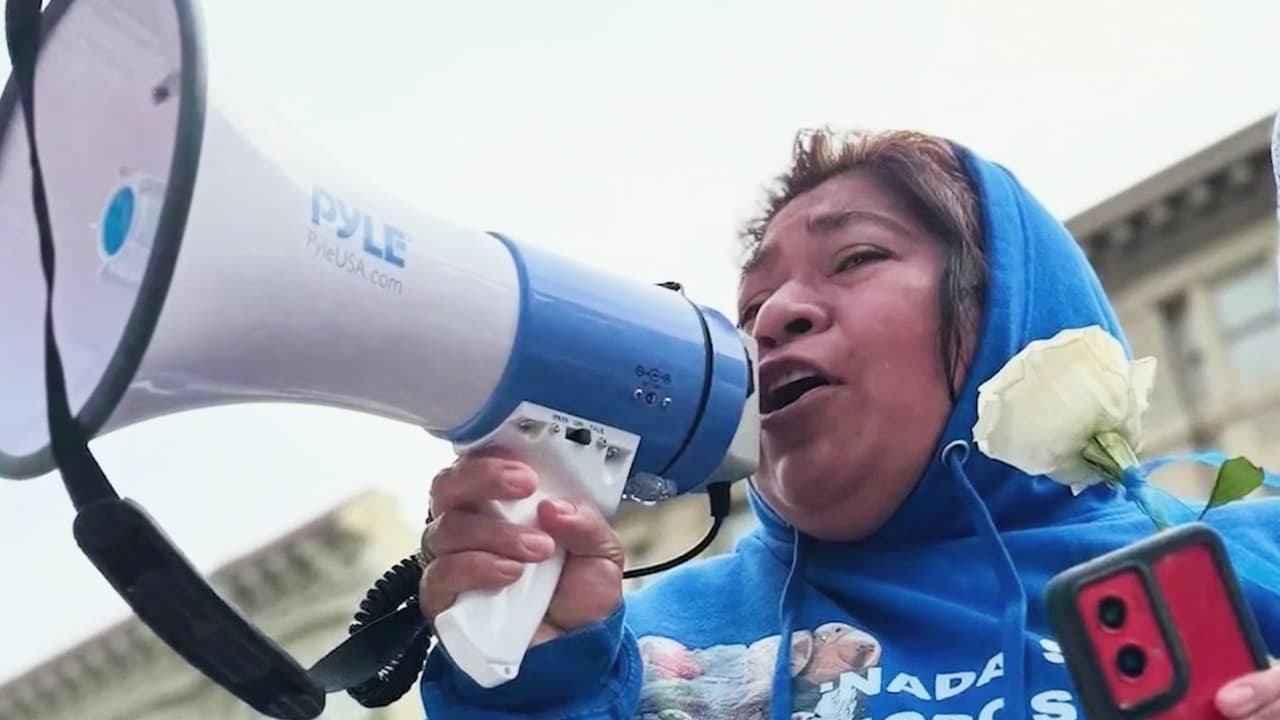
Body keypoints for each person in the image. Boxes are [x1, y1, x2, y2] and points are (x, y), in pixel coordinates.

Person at [413, 128, 1280, 720]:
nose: (775, 315)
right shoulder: (633, 643)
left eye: (857, 257)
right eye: (750, 303)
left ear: (1014, 311)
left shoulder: (1251, 555)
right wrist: (535, 685)